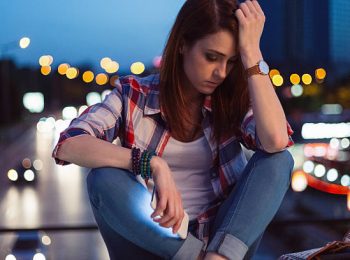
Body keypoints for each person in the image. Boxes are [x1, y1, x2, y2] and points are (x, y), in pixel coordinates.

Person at [52, 0, 295, 259]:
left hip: (222, 248)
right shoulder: (134, 95)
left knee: (279, 160)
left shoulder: (232, 99)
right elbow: (69, 145)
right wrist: (152, 164)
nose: (221, 73)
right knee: (103, 179)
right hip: (151, 244)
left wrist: (252, 54)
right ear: (182, 44)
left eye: (232, 61)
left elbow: (277, 141)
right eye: (211, 57)